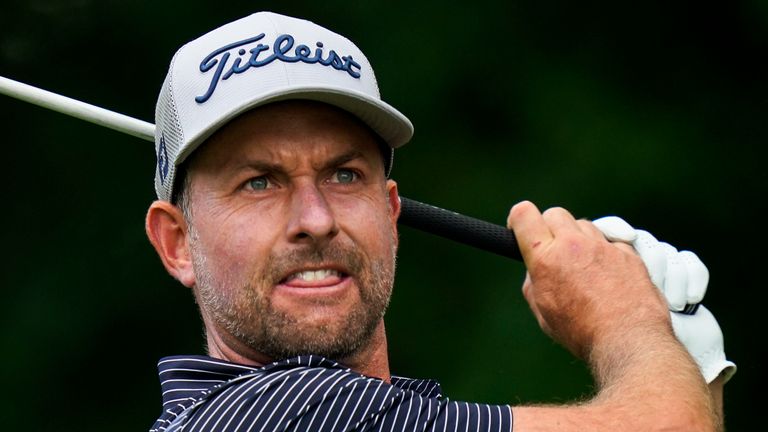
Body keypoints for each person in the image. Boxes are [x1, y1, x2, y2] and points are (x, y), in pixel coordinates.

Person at [144, 11, 735, 432]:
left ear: (391, 211)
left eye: (345, 175)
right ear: (177, 244)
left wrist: (689, 364)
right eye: (259, 182)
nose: (316, 219)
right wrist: (630, 321)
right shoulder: (281, 411)